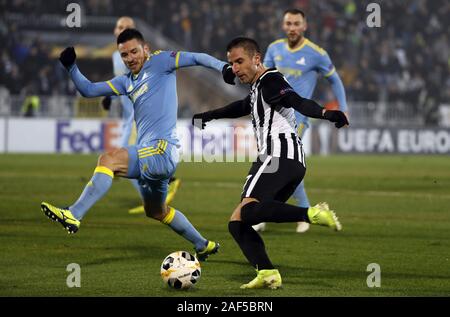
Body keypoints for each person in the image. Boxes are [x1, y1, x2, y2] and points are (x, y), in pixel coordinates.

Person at [41, 28, 236, 261]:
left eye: (134, 51)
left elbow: (196, 57)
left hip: (162, 149)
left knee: (108, 159)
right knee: (156, 211)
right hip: (152, 156)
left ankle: (74, 213)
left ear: (145, 49)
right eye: (124, 55)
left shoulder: (161, 61)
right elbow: (88, 90)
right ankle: (203, 245)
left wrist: (223, 67)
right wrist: (71, 68)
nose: (130, 58)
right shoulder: (126, 82)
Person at [192, 37, 347, 289]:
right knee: (238, 222)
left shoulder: (271, 80)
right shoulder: (257, 88)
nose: (235, 68)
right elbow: (243, 105)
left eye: (240, 61)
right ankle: (267, 272)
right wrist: (209, 115)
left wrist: (326, 114)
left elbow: (297, 102)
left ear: (257, 59)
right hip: (288, 160)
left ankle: (312, 213)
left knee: (248, 212)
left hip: (278, 155)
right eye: (231, 63)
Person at [256, 9, 349, 233]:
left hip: (297, 118)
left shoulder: (316, 54)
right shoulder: (274, 48)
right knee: (273, 164)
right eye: (288, 23)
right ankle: (270, 212)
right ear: (283, 25)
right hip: (272, 117)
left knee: (281, 163)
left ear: (305, 26)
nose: (292, 28)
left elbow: (335, 81)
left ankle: (300, 212)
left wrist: (343, 109)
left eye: (296, 23)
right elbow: (263, 76)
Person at [101, 16, 181, 214]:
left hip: (139, 118)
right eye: (119, 26)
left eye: (127, 27)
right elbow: (122, 81)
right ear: (114, 30)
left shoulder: (145, 57)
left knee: (128, 158)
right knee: (130, 158)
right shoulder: (116, 56)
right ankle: (159, 192)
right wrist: (110, 96)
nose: (122, 29)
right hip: (128, 116)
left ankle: (157, 198)